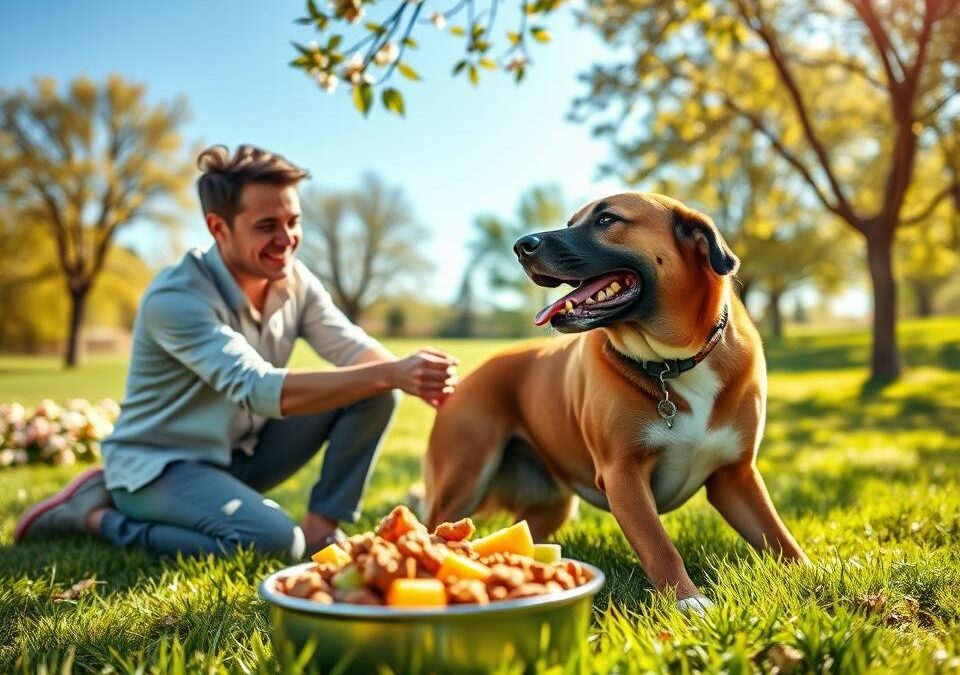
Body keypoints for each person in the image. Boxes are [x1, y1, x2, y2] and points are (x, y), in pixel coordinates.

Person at [14, 144, 458, 559]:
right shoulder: (176, 298)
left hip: (242, 456)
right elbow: (256, 388)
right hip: (160, 468)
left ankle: (324, 530)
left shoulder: (293, 281)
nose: (286, 240)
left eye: (293, 222)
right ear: (218, 228)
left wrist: (433, 388)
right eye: (267, 226)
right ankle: (96, 515)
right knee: (274, 542)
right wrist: (396, 372)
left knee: (376, 390)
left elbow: (355, 350)